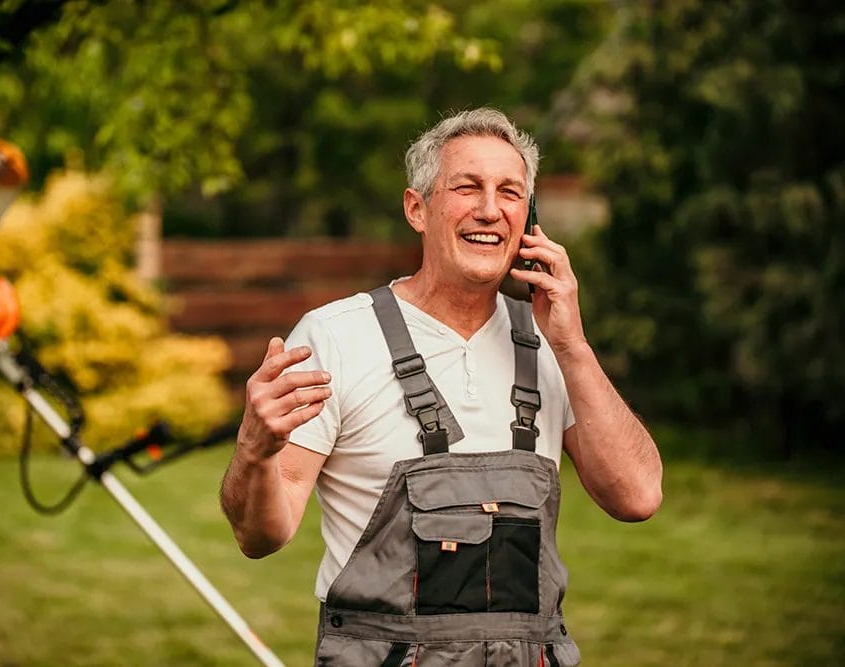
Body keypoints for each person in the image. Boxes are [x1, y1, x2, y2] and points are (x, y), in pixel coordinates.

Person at [220, 107, 662, 666]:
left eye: (510, 192)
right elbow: (261, 536)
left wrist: (573, 345)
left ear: (529, 217)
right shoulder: (334, 338)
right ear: (417, 209)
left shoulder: (554, 343)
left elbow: (638, 497)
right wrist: (253, 451)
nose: (489, 209)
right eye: (466, 187)